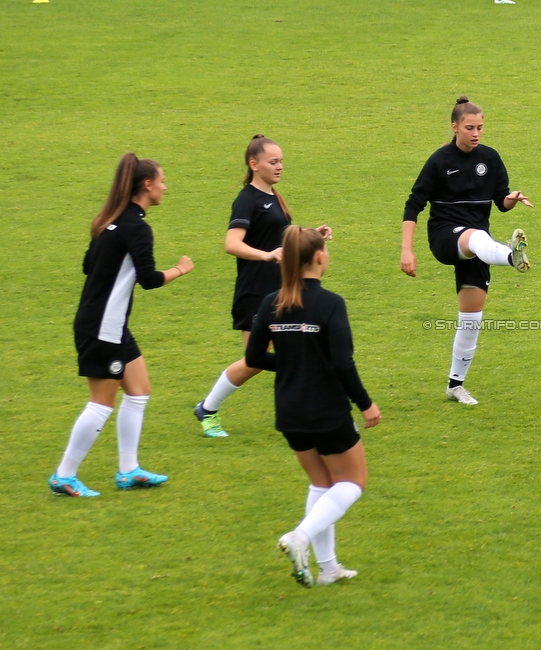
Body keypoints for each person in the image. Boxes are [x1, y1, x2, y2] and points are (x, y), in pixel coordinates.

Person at [49, 153, 194, 497]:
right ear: (147, 185)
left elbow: (88, 266)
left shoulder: (107, 221)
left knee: (139, 390)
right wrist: (181, 269)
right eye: (162, 180)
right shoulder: (136, 227)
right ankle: (64, 475)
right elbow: (149, 279)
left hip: (103, 323)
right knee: (102, 403)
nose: (165, 186)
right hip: (104, 328)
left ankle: (128, 470)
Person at [245, 226, 381, 588]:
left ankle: (328, 568)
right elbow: (342, 363)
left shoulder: (270, 301)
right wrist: (365, 404)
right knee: (354, 481)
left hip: (289, 412)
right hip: (326, 410)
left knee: (321, 483)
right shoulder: (331, 303)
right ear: (320, 258)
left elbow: (253, 356)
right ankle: (299, 538)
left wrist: (292, 364)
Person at [194, 135, 331, 436]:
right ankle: (207, 408)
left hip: (279, 291)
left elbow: (277, 236)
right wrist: (266, 256)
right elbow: (232, 244)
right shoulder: (247, 199)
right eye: (273, 162)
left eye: (281, 160)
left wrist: (311, 234)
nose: (280, 166)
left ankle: (306, 413)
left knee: (292, 351)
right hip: (255, 292)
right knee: (255, 361)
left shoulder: (273, 196)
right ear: (253, 164)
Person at [400, 96, 533, 406]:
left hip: (479, 248)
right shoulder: (439, 161)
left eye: (480, 128)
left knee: (471, 318)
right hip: (446, 237)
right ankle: (511, 256)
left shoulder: (491, 158)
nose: (476, 134)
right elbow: (413, 205)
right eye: (470, 128)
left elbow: (500, 202)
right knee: (473, 236)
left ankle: (455, 385)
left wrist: (511, 198)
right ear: (455, 127)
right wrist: (407, 250)